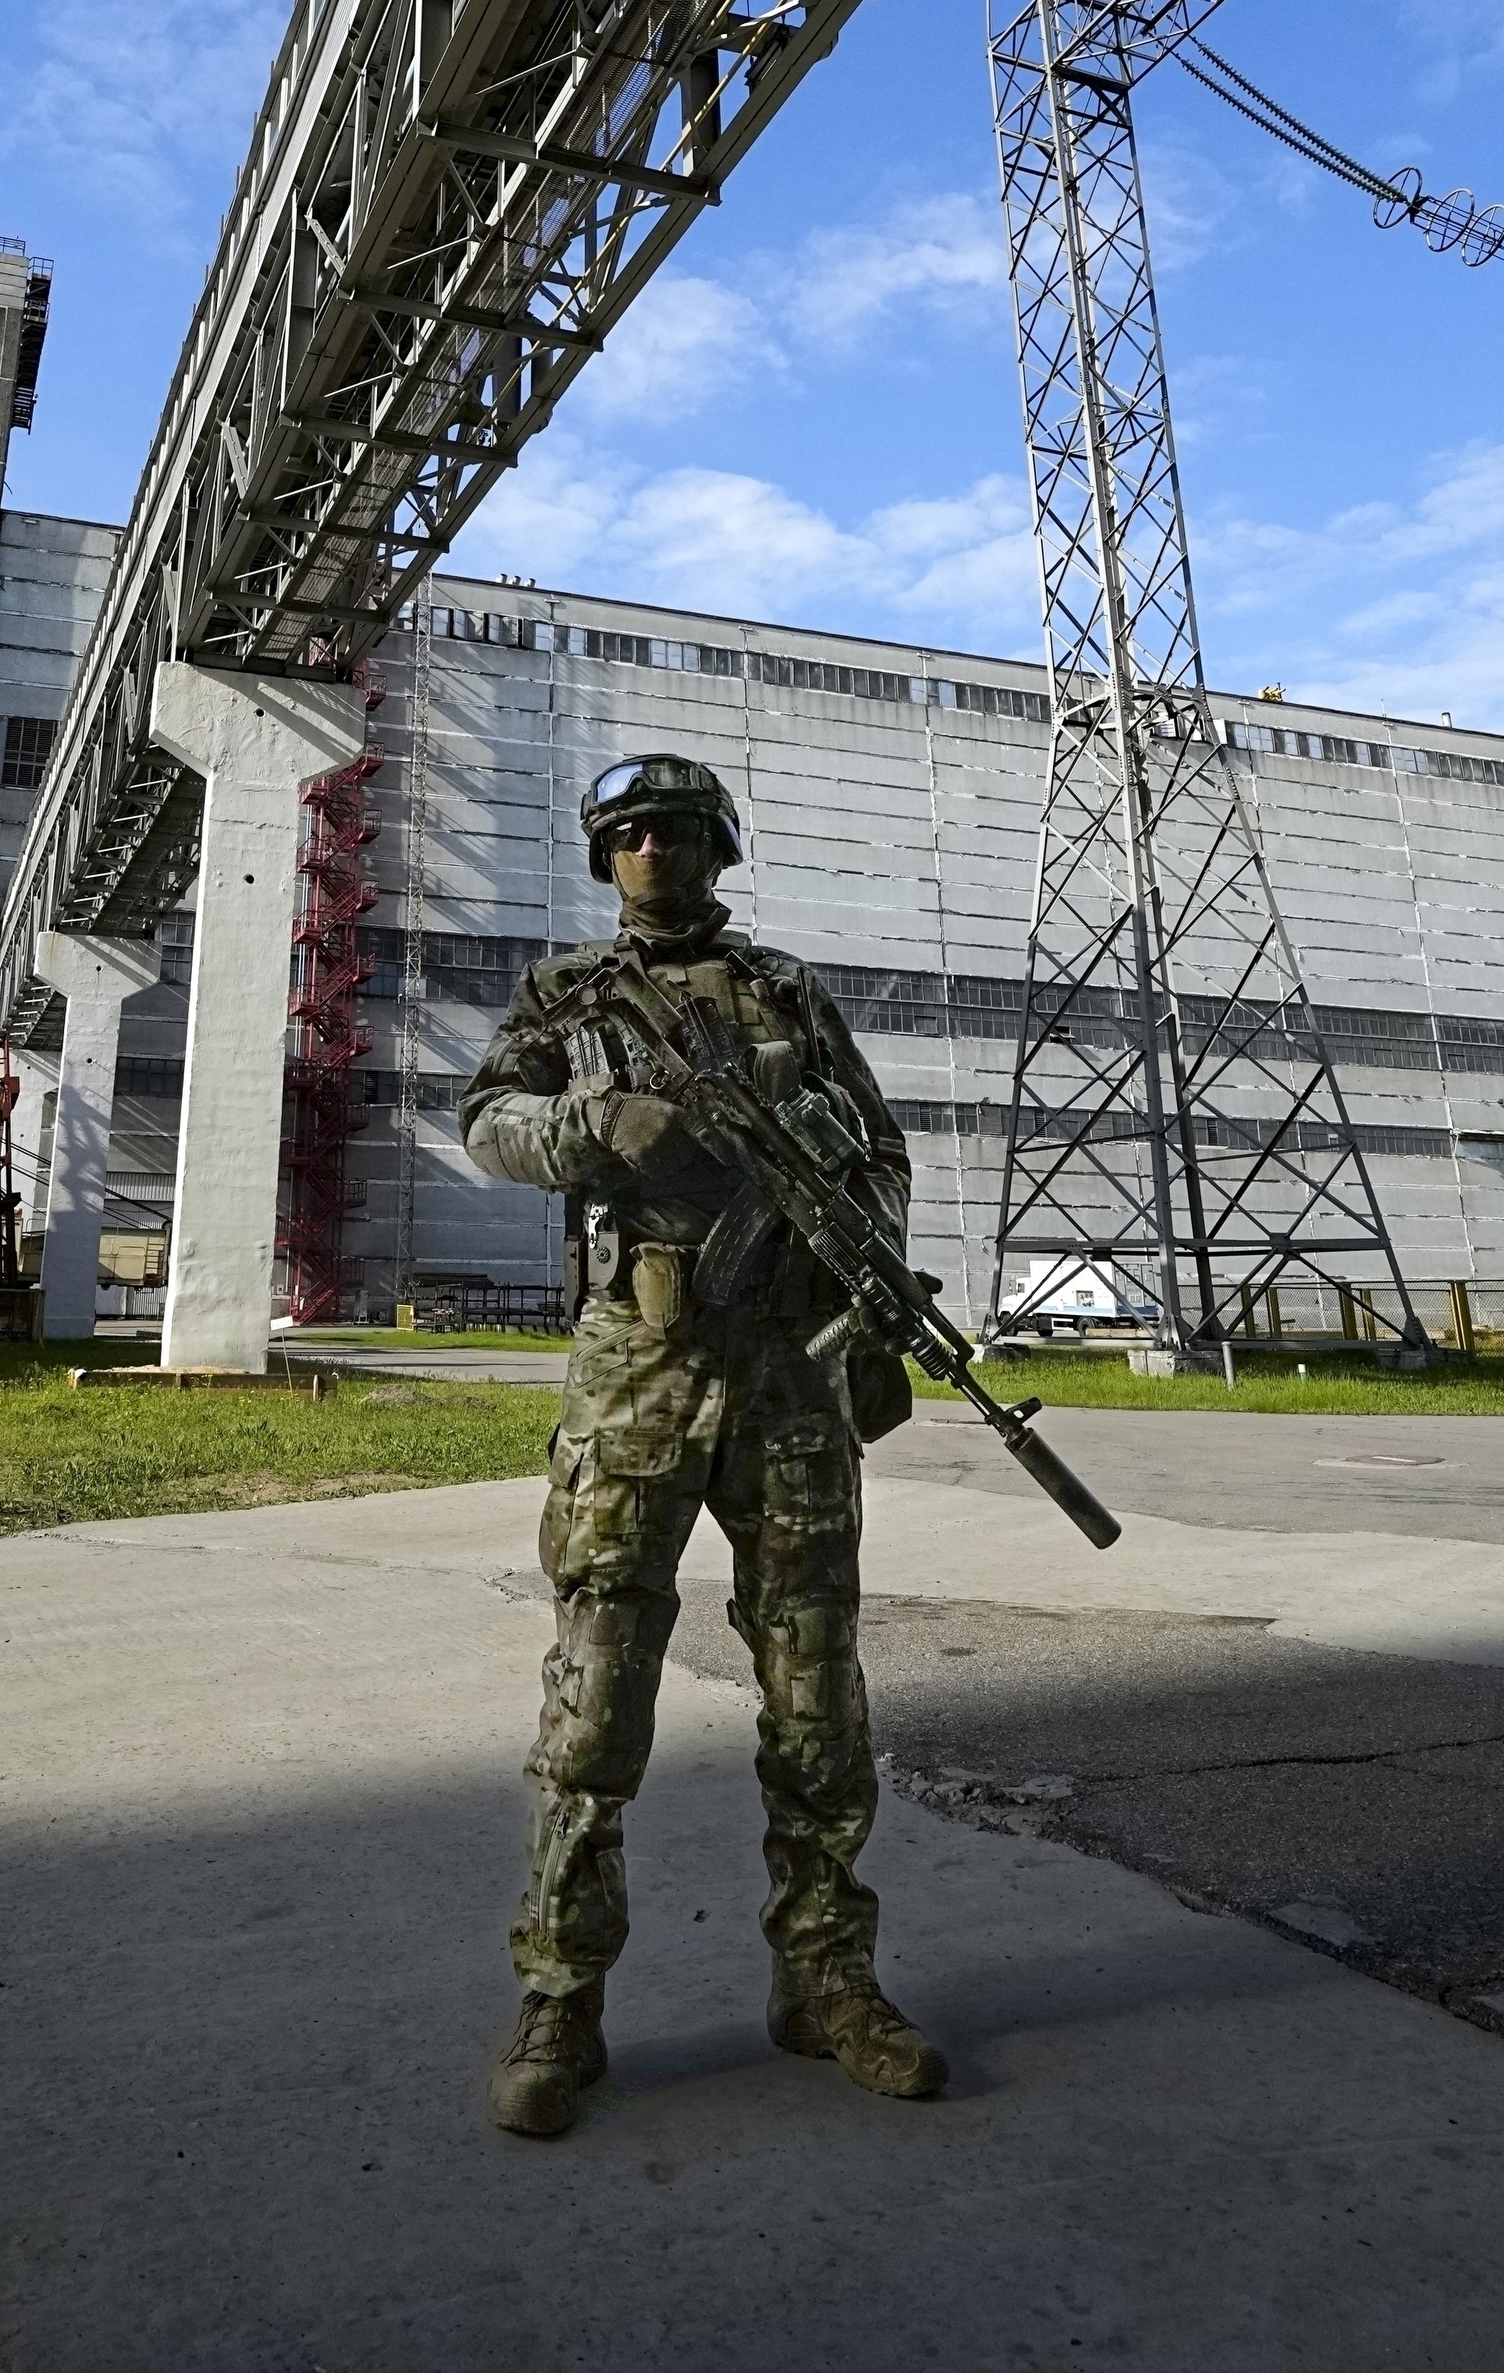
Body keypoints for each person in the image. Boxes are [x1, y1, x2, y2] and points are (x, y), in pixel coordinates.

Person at [456, 751, 943, 2139]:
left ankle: (829, 1980)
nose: (652, 853)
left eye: (674, 831)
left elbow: (876, 1153)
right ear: (603, 859)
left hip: (791, 1375)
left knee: (816, 1697)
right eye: (626, 836)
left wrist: (876, 1282)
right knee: (597, 1695)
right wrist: (588, 1124)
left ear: (719, 849)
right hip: (639, 1376)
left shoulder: (788, 992)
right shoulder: (567, 997)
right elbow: (485, 1123)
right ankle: (560, 2000)